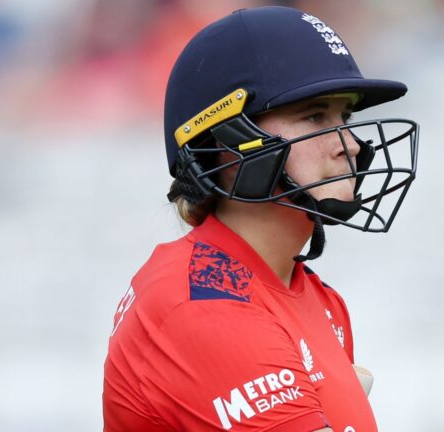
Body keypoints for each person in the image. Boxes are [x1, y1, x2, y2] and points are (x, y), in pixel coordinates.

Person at [102, 6, 419, 431]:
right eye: (315, 116)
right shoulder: (203, 304)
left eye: (345, 117)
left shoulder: (318, 298)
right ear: (229, 142)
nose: (350, 145)